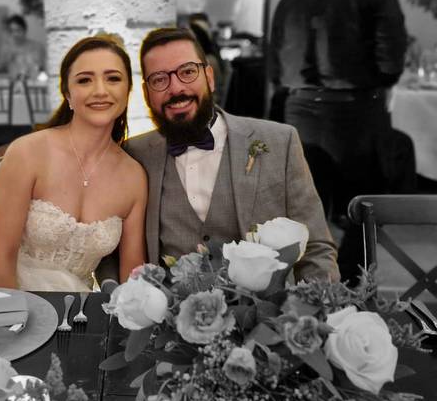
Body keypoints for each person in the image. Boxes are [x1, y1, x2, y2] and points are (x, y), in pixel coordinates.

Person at [123, 27, 339, 283]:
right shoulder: (134, 155)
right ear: (147, 93)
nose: (176, 87)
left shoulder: (279, 142)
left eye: (188, 72)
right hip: (168, 319)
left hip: (265, 319)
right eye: (160, 79)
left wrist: (310, 315)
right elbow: (114, 255)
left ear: (210, 77)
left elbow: (316, 250)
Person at [0, 34, 147, 292]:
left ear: (128, 89)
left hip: (75, 309)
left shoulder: (134, 177)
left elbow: (132, 278)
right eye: (85, 80)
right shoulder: (27, 153)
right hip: (4, 292)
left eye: (113, 78)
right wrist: (17, 324)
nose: (100, 90)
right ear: (68, 93)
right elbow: (1, 262)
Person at [270, 0, 407, 223]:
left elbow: (275, 68)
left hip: (299, 112)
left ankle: (307, 273)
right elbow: (391, 61)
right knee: (360, 212)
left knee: (302, 212)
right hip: (356, 113)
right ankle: (355, 272)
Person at [0, 14, 44, 79]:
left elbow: (42, 67)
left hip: (34, 82)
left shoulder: (37, 46)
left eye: (18, 30)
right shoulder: (6, 49)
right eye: (11, 31)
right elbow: (1, 69)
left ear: (25, 30)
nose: (15, 34)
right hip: (14, 83)